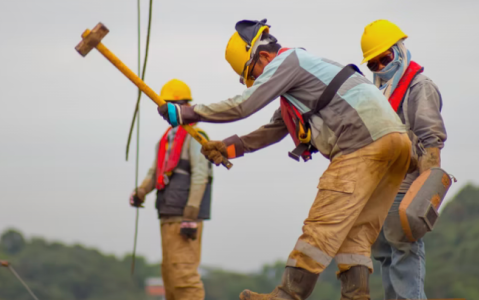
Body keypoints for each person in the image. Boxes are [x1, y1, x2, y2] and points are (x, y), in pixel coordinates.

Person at [158, 19, 411, 300]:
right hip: (395, 144)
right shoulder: (306, 72)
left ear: (264, 56)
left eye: (254, 76)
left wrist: (190, 113)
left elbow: (244, 105)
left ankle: (287, 295)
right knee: (356, 235)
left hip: (362, 144)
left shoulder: (287, 62)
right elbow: (275, 129)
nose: (259, 84)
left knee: (320, 227)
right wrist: (229, 148)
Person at [361, 20, 447, 300]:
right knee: (385, 254)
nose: (381, 67)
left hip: (408, 187)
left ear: (398, 50)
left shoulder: (419, 87)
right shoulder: (379, 93)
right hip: (382, 189)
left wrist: (423, 195)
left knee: (404, 254)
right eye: (374, 64)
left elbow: (431, 140)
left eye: (385, 58)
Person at [130, 79, 213, 300]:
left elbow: (199, 176)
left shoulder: (196, 137)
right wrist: (140, 192)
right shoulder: (167, 139)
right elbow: (155, 171)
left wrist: (191, 214)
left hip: (184, 216)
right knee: (170, 276)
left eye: (173, 106)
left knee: (184, 277)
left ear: (186, 106)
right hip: (167, 213)